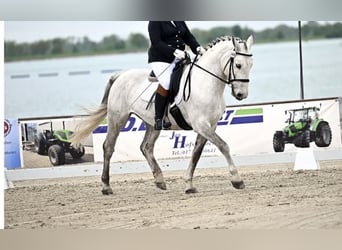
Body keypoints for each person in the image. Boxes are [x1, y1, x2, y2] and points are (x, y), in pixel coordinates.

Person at [148, 21, 205, 130]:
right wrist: (173, 51)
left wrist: (197, 48)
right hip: (160, 59)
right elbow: (156, 42)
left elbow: (188, 36)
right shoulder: (155, 21)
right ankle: (159, 118)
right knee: (167, 83)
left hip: (179, 57)